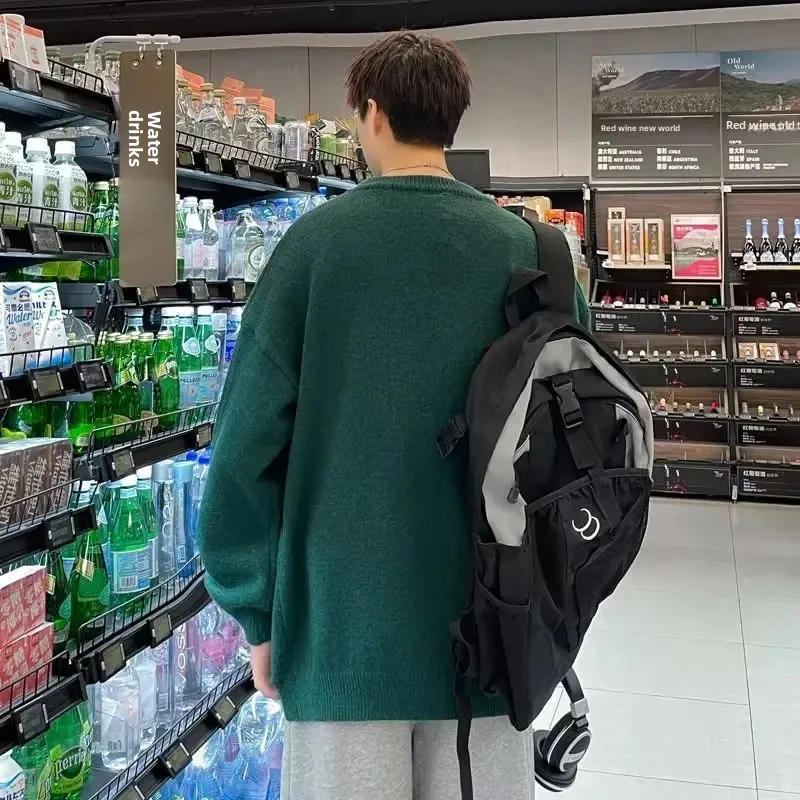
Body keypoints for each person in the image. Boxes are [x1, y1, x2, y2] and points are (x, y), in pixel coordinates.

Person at [197, 30, 588, 800]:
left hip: (342, 635)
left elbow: (243, 450)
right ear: (452, 121)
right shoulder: (533, 254)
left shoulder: (312, 250)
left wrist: (258, 612)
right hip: (496, 631)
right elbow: (579, 444)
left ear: (372, 114)